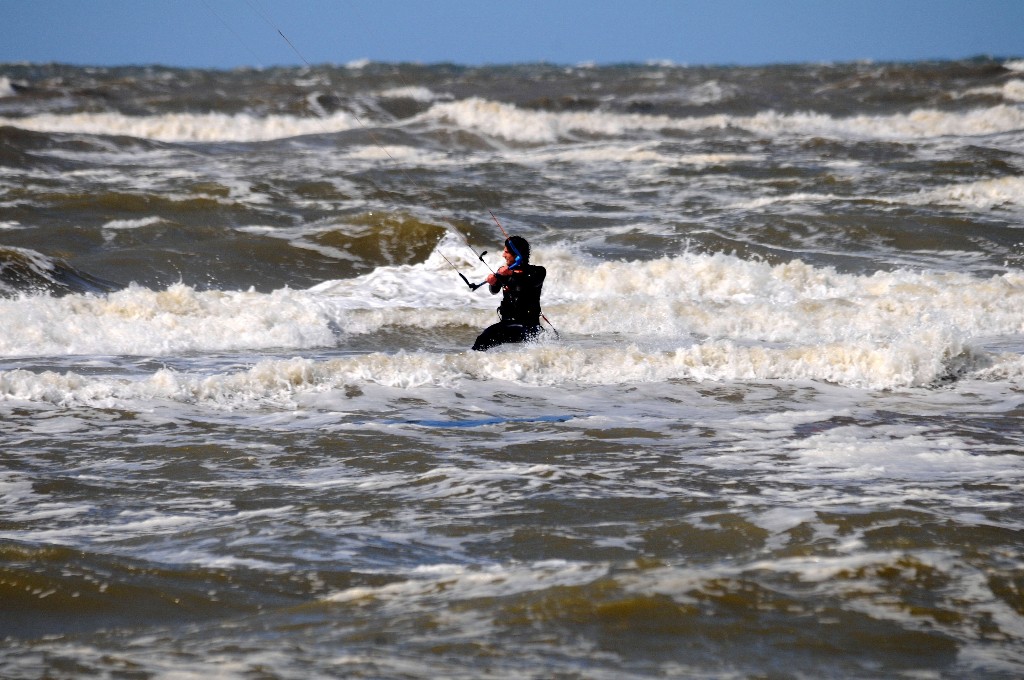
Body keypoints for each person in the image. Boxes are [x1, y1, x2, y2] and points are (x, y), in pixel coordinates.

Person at [472, 235, 546, 351]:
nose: (503, 255)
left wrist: (511, 274)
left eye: (506, 252)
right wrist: (493, 282)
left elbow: (529, 282)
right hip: (507, 324)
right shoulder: (504, 272)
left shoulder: (538, 271)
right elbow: (494, 291)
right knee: (481, 341)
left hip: (528, 326)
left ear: (517, 255)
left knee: (535, 341)